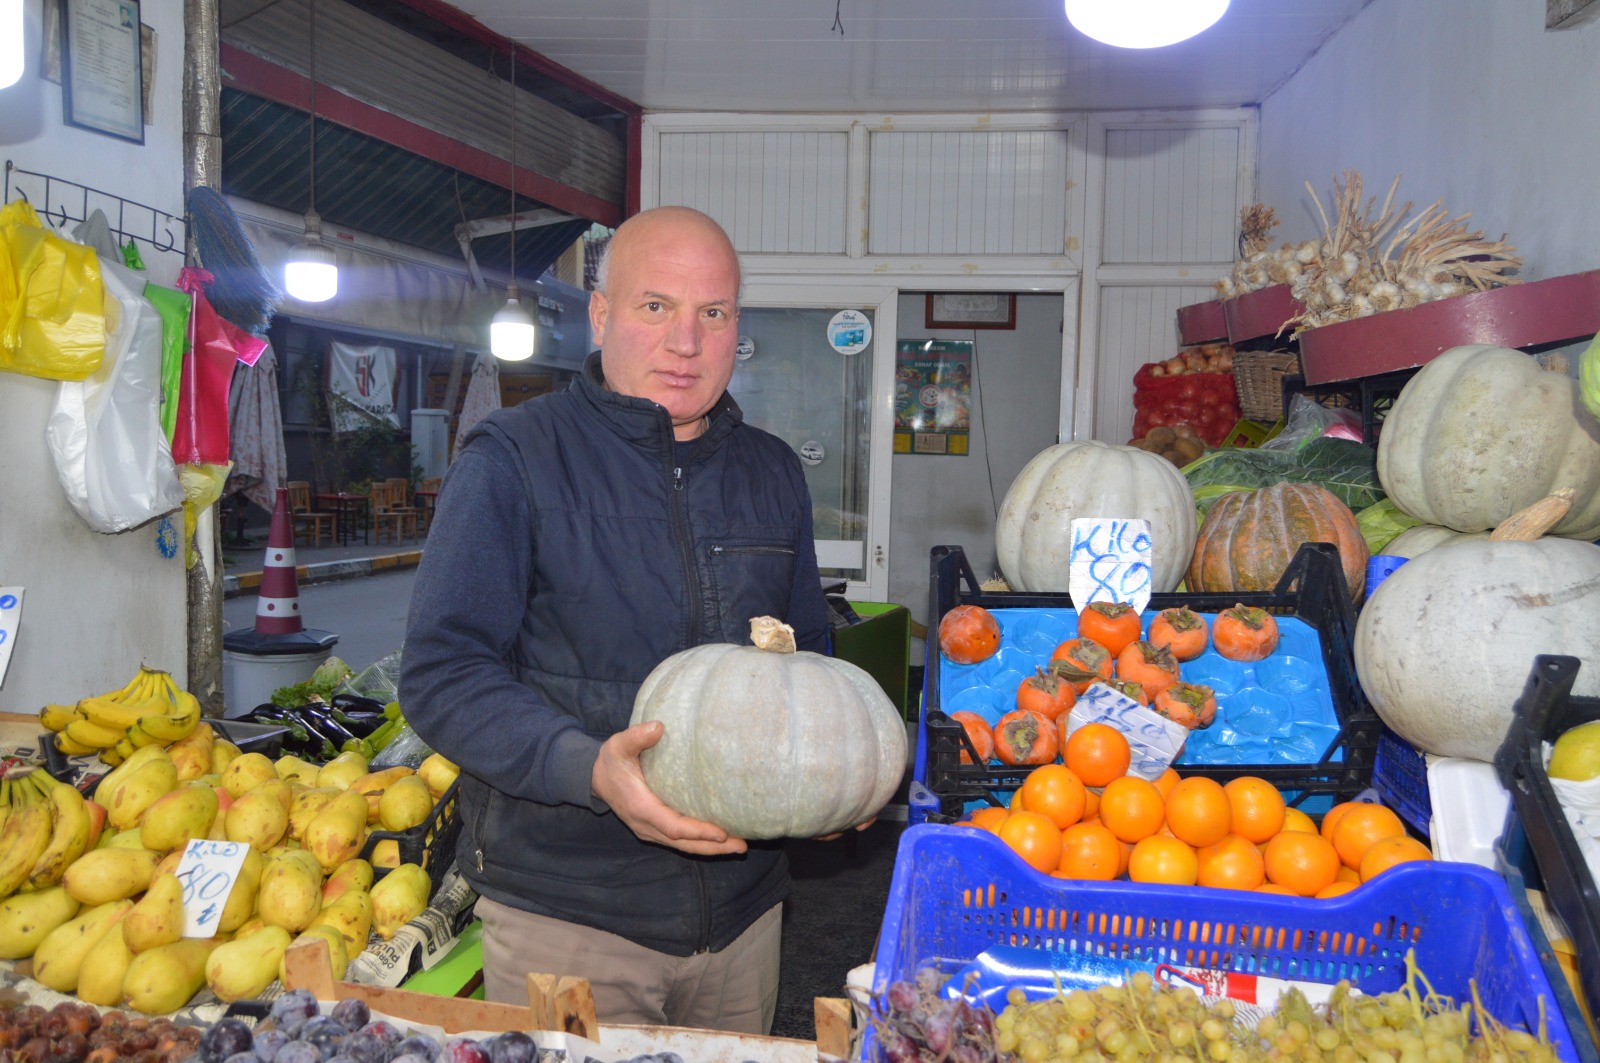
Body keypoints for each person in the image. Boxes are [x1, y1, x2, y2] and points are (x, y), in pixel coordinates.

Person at [399, 206, 831, 1034]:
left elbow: (807, 651)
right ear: (601, 316)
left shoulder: (773, 472)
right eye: (655, 307)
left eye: (713, 313)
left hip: (744, 916)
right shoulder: (514, 458)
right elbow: (442, 672)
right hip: (571, 915)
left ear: (737, 324)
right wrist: (588, 766)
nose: (686, 342)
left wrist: (824, 768)